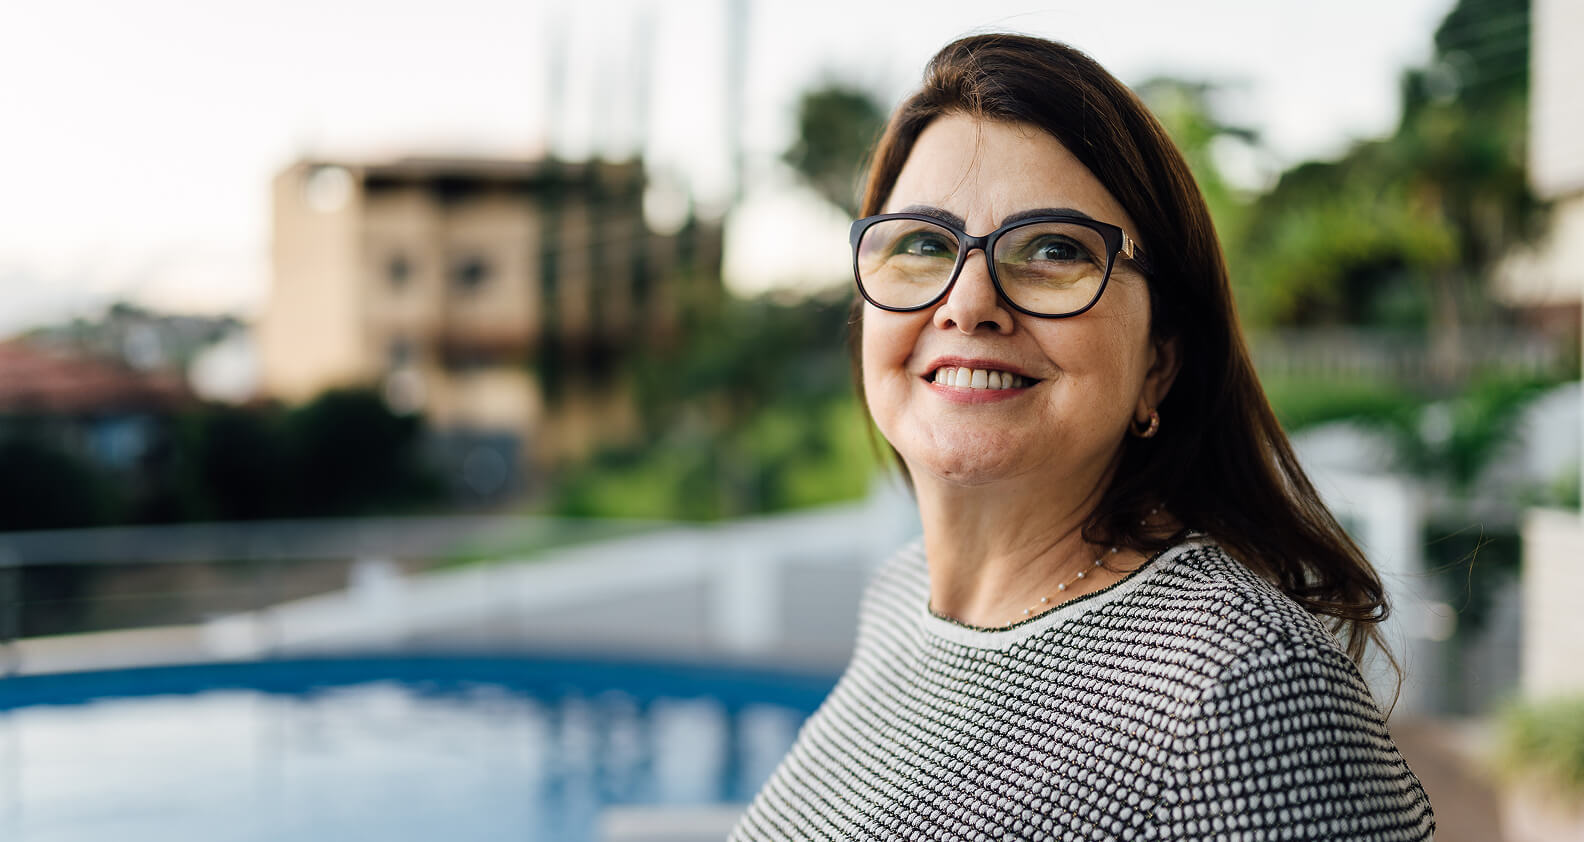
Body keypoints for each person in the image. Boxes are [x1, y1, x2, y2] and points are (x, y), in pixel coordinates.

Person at [729, 33, 1434, 842]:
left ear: (1159, 363)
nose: (968, 303)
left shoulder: (1237, 684)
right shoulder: (901, 596)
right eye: (922, 244)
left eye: (1055, 250)